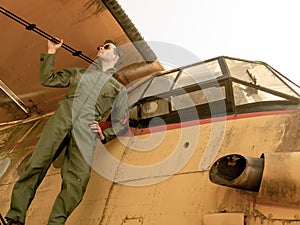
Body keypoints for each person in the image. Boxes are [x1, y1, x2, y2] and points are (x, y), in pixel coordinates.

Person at [5, 38, 129, 225]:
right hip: (62, 118)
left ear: (116, 56)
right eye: (100, 46)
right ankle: (15, 217)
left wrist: (105, 133)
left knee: (78, 180)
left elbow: (123, 121)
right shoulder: (79, 73)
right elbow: (48, 79)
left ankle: (56, 223)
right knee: (36, 164)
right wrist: (51, 51)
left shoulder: (119, 90)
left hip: (87, 129)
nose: (100, 48)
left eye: (106, 47)